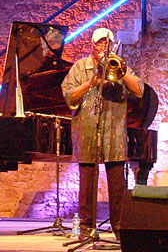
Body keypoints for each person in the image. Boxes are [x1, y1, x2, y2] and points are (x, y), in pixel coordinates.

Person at [61, 28, 143, 240]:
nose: (102, 47)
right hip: (87, 132)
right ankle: (87, 229)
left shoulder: (120, 66)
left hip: (114, 135)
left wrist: (122, 72)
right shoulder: (81, 67)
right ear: (92, 45)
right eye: (99, 43)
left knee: (117, 187)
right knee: (87, 186)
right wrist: (92, 82)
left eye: (107, 43)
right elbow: (69, 96)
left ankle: (119, 229)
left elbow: (139, 91)